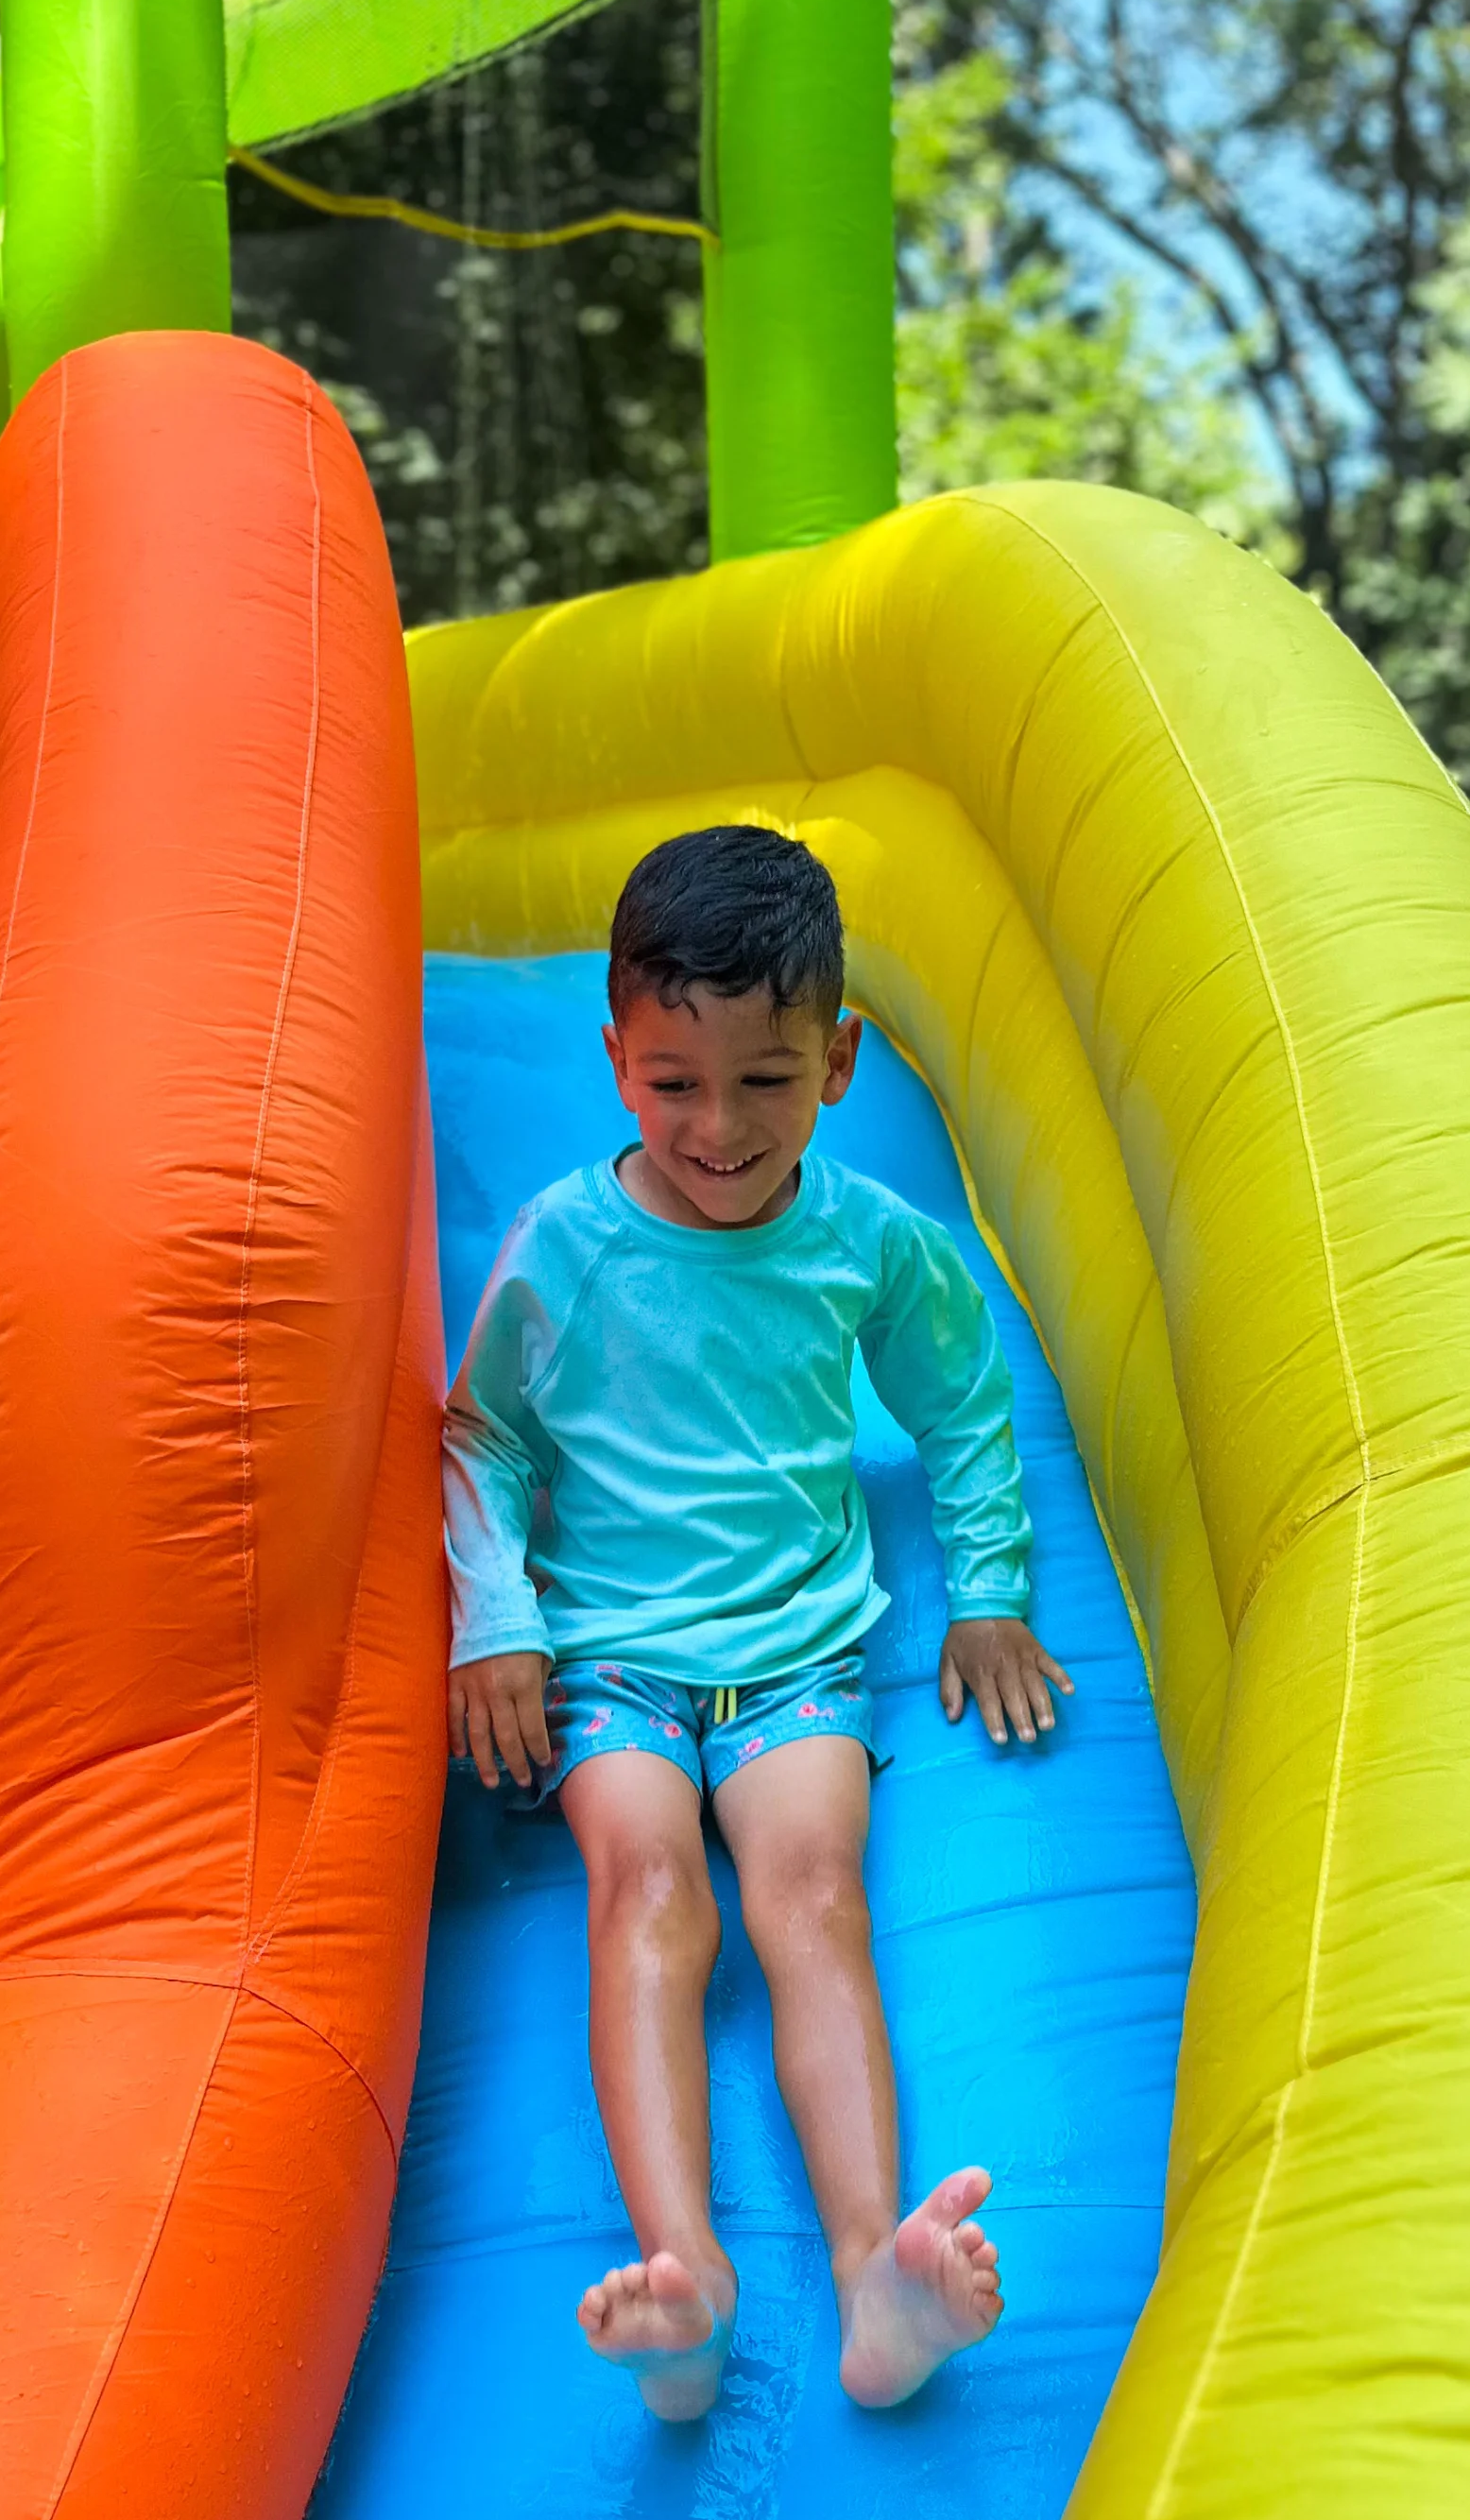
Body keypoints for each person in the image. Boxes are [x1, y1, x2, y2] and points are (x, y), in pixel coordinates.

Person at [442, 824, 1072, 2421]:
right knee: (646, 1886)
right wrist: (496, 1620)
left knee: (812, 1897)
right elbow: (482, 1437)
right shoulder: (566, 1248)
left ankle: (877, 2267)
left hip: (795, 1647)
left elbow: (964, 1401)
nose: (718, 1130)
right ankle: (687, 2277)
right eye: (672, 1083)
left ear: (841, 1060)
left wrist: (988, 1593)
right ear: (615, 1059)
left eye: (765, 1082)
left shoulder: (869, 1240)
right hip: (614, 1665)